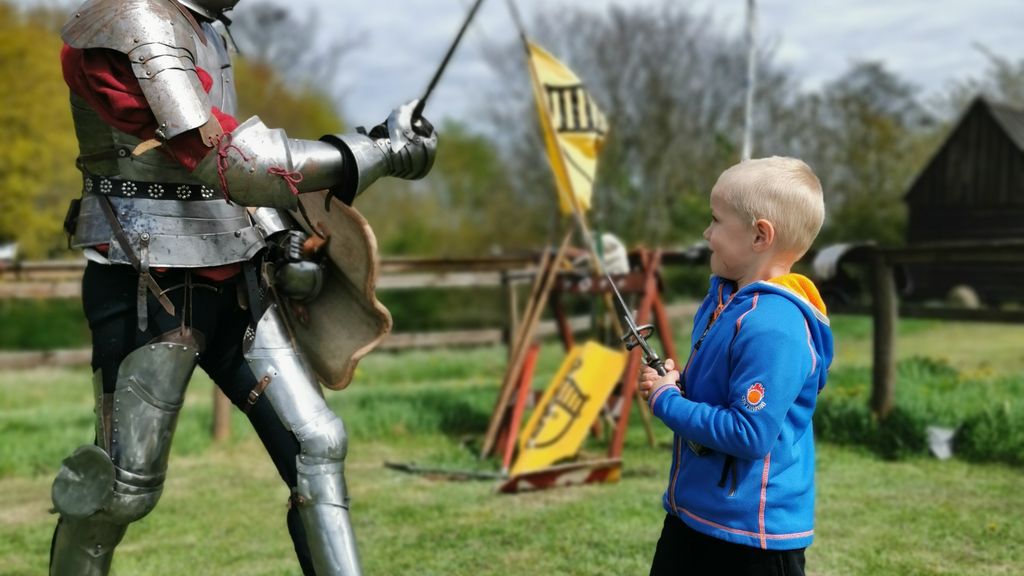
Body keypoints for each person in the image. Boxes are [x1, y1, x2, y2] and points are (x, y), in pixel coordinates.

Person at [48, 1, 437, 575]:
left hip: (238, 277)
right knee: (121, 490)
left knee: (318, 445)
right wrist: (378, 152)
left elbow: (229, 174)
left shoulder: (204, 29)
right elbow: (228, 163)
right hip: (149, 277)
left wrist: (281, 236)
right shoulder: (133, 23)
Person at [638, 156, 834, 576]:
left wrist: (666, 401)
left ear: (760, 235)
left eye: (716, 220)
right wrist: (676, 384)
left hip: (750, 542)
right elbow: (717, 394)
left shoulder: (773, 325)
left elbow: (748, 433)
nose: (707, 234)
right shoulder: (725, 301)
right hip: (693, 517)